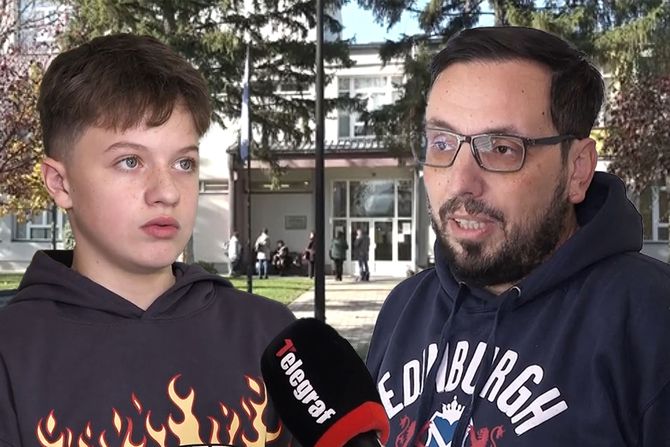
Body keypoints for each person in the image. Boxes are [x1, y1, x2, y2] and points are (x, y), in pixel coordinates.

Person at [366, 26, 670, 447]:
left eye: (502, 148)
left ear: (577, 170)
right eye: (442, 143)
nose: (461, 182)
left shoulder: (650, 319)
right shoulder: (405, 306)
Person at [0, 34, 295, 446]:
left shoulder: (271, 337)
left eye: (184, 163)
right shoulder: (12, 353)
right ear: (60, 183)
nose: (167, 192)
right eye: (130, 161)